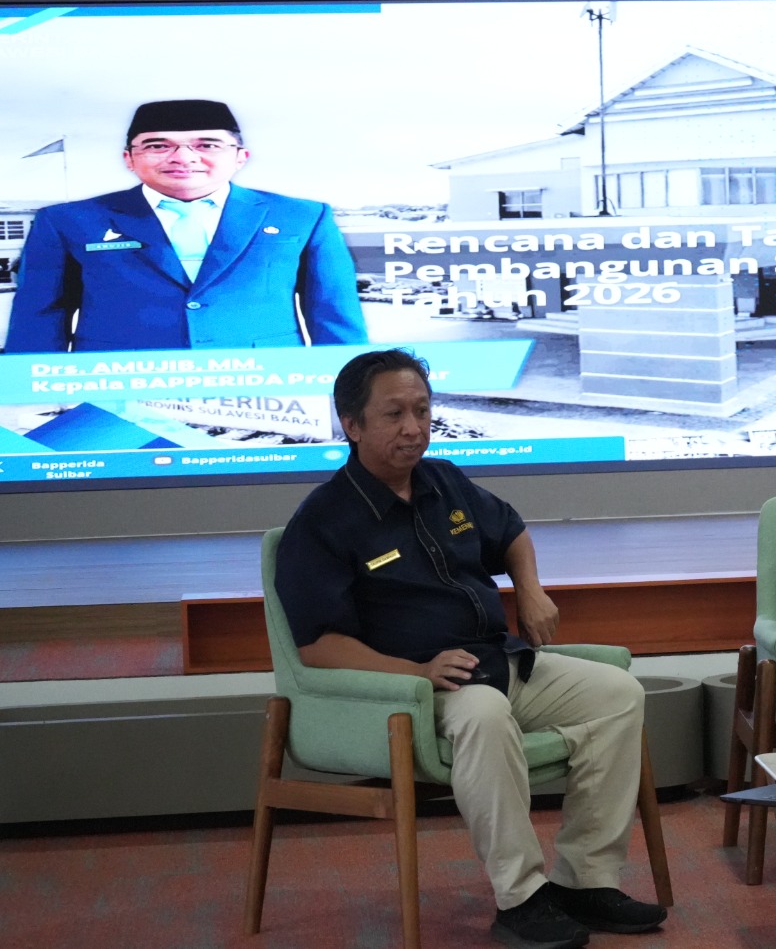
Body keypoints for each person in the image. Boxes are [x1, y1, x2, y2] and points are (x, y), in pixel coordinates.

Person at [274, 349, 664, 949]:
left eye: (422, 410)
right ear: (351, 425)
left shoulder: (444, 480)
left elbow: (511, 533)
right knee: (483, 713)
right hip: (410, 691)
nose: (413, 428)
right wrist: (415, 671)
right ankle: (521, 898)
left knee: (616, 693)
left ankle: (585, 881)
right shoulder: (322, 522)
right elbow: (319, 648)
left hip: (495, 660)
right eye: (395, 414)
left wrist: (529, 589)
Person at [5, 99, 368, 352]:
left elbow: (334, 314)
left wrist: (356, 395)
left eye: (207, 144)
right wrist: (29, 399)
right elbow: (38, 317)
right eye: (157, 146)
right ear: (129, 158)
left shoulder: (302, 217)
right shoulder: (67, 221)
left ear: (240, 157)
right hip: (117, 388)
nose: (182, 157)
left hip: (266, 384)